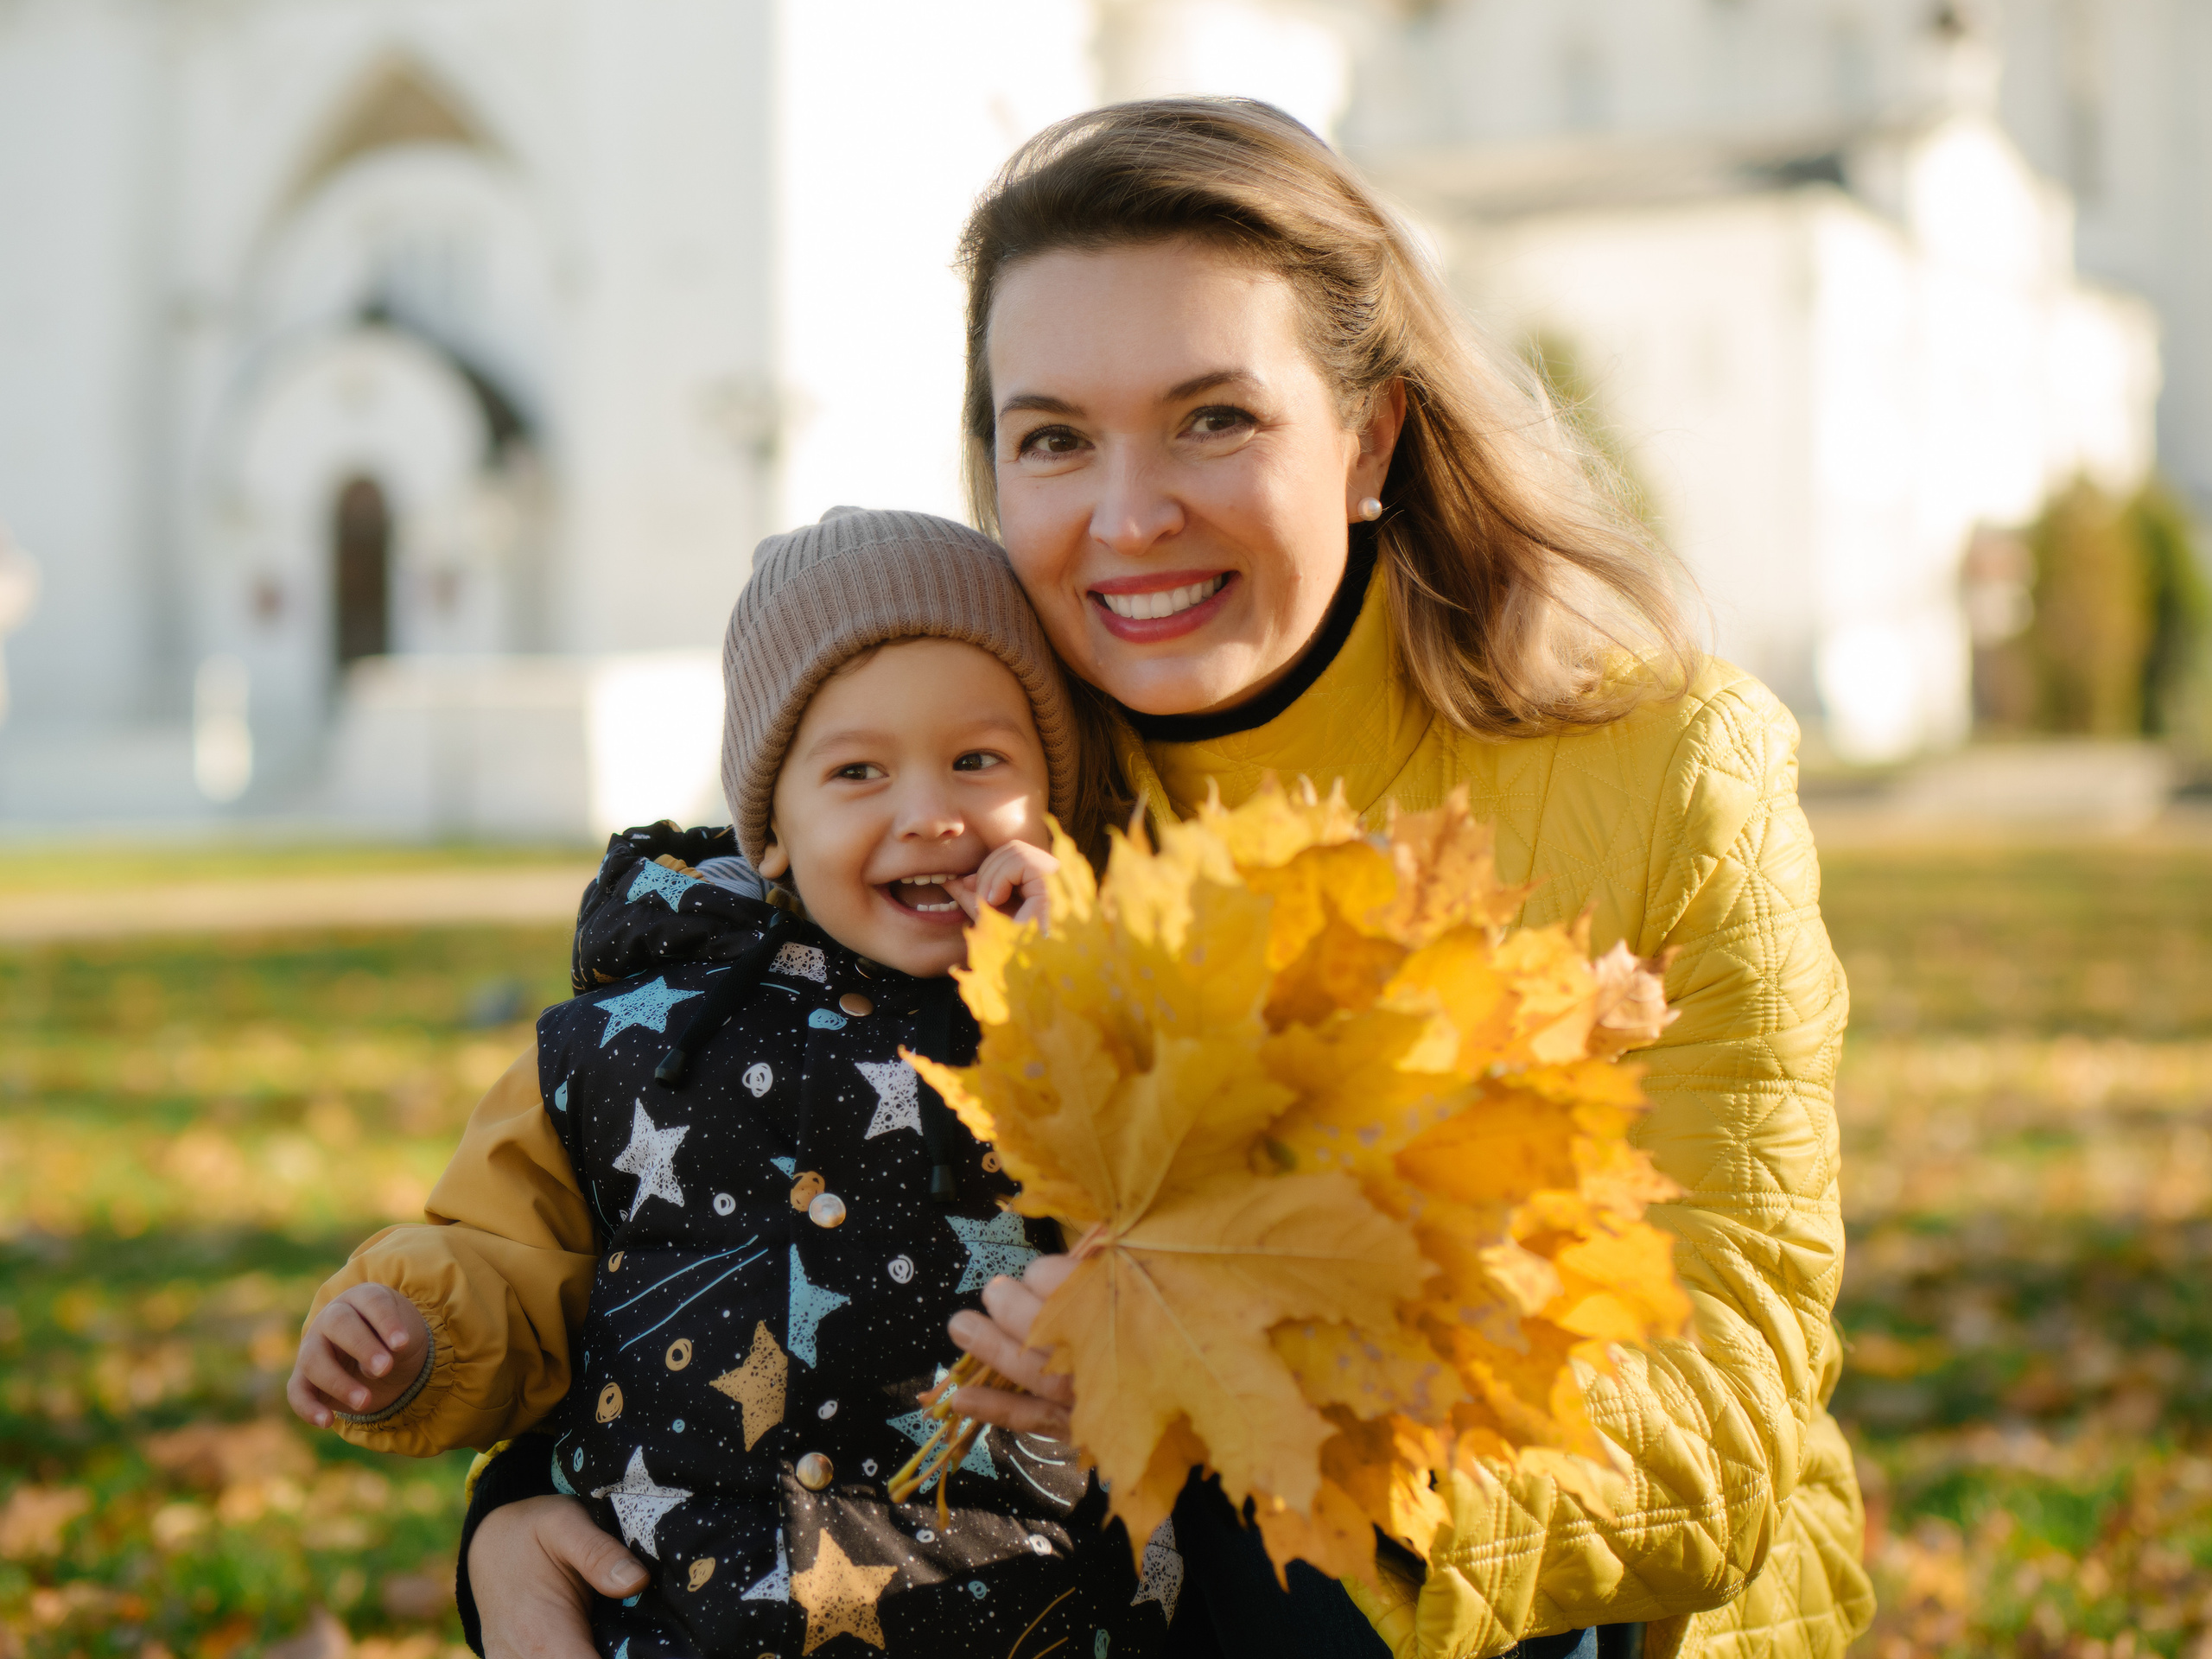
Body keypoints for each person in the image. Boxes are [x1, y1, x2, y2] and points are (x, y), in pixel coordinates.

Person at [463, 99, 1873, 1659]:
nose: (1130, 519)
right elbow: (735, 1174)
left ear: (1371, 440)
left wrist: (1218, 1387)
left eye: (1216, 419)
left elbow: (1724, 1408)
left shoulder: (1668, 767)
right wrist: (521, 1508)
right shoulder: (976, 801)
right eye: (1056, 437)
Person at [289, 507, 1177, 1656]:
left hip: (1010, 1617)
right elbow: (510, 1263)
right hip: (679, 1615)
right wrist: (411, 1331)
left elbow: (1197, 1222)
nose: (929, 811)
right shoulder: (623, 1045)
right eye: (857, 770)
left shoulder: (1093, 1030)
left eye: (978, 760)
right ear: (774, 830)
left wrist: (1089, 991)